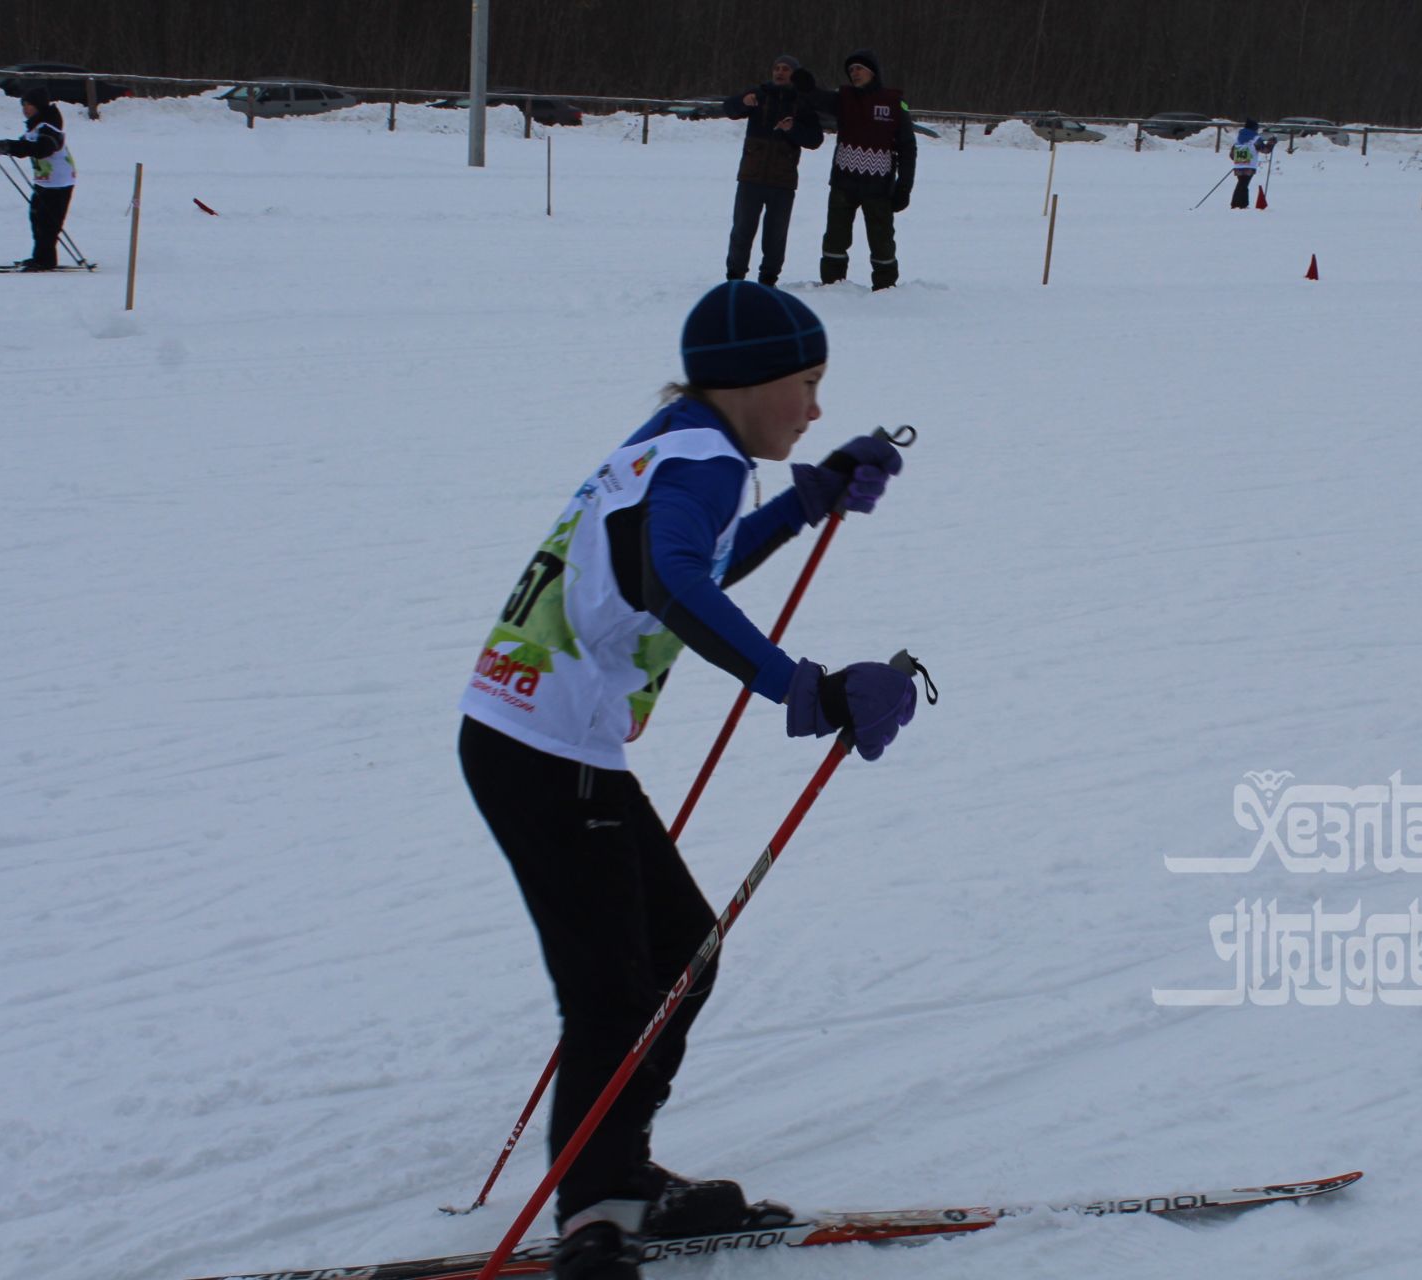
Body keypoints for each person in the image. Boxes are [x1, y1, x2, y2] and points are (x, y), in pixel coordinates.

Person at [457, 280, 917, 1280]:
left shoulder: (679, 441)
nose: (816, 408)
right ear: (753, 382)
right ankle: (595, 1219)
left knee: (677, 954)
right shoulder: (702, 458)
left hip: (536, 737)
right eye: (808, 382)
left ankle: (620, 1173)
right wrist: (804, 686)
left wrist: (802, 502)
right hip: (545, 750)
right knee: (618, 991)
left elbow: (681, 562)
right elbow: (673, 579)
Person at [805, 50, 916, 290]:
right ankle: (832, 285)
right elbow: (819, 99)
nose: (854, 73)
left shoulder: (894, 103)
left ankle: (885, 288)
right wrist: (807, 87)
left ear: (873, 72)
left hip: (878, 186)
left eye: (859, 68)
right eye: (851, 69)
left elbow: (908, 148)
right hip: (843, 183)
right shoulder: (843, 98)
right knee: (835, 237)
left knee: (881, 241)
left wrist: (904, 187)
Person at [720, 55, 824, 287]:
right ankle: (735, 277)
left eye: (785, 69)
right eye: (776, 68)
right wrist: (742, 102)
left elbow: (815, 140)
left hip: (782, 181)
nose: (779, 72)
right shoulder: (758, 94)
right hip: (751, 177)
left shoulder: (802, 102)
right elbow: (729, 108)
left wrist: (793, 129)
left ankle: (768, 279)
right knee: (742, 230)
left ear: (794, 74)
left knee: (775, 236)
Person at [0, 87, 77, 270]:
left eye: (29, 105)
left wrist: (10, 147)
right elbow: (23, 146)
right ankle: (39, 257)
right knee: (37, 218)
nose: (25, 108)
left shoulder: (49, 127)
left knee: (48, 223)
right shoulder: (36, 126)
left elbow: (43, 148)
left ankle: (45, 261)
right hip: (45, 180)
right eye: (23, 105)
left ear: (38, 106)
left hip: (60, 181)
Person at [1229, 117, 1276, 210]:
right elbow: (1265, 150)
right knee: (1243, 184)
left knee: (1241, 183)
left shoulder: (1239, 138)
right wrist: (1271, 143)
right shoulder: (1255, 138)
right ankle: (1241, 204)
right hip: (1249, 165)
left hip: (1238, 165)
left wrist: (1240, 159)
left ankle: (1236, 204)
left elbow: (1232, 154)